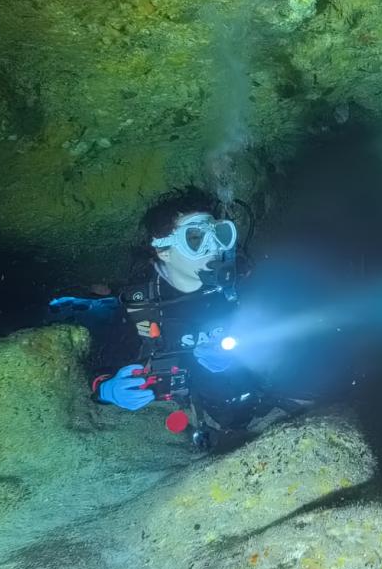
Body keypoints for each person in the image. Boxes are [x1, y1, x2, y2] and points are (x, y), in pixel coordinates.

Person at [69, 186, 273, 449]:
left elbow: (278, 347)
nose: (213, 249)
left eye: (218, 236)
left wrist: (237, 362)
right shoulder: (139, 305)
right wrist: (107, 390)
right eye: (196, 239)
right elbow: (100, 367)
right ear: (164, 250)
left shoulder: (238, 289)